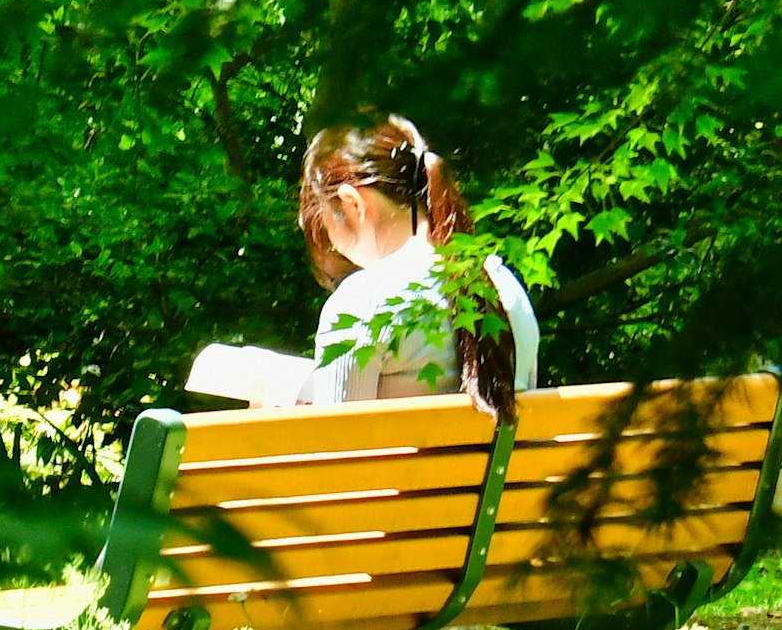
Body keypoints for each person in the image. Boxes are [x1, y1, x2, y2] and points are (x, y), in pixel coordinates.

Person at [186, 117, 540, 413]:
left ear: (352, 203)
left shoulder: (363, 301)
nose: (333, 243)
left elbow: (338, 461)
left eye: (324, 221)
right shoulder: (501, 282)